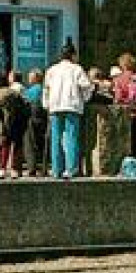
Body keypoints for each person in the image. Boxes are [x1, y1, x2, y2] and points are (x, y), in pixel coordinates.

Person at [43, 42, 94, 179]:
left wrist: (46, 105)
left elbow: (46, 89)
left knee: (56, 139)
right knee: (71, 137)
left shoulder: (52, 70)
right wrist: (85, 98)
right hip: (72, 105)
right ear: (73, 55)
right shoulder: (77, 69)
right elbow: (86, 86)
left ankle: (56, 169)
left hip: (55, 106)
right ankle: (71, 168)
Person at [23, 68, 48, 175]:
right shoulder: (44, 90)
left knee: (30, 143)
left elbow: (25, 101)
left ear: (36, 78)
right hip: (43, 118)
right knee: (43, 143)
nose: (28, 79)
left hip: (31, 117)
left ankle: (31, 167)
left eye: (30, 77)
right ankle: (43, 168)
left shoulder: (30, 91)